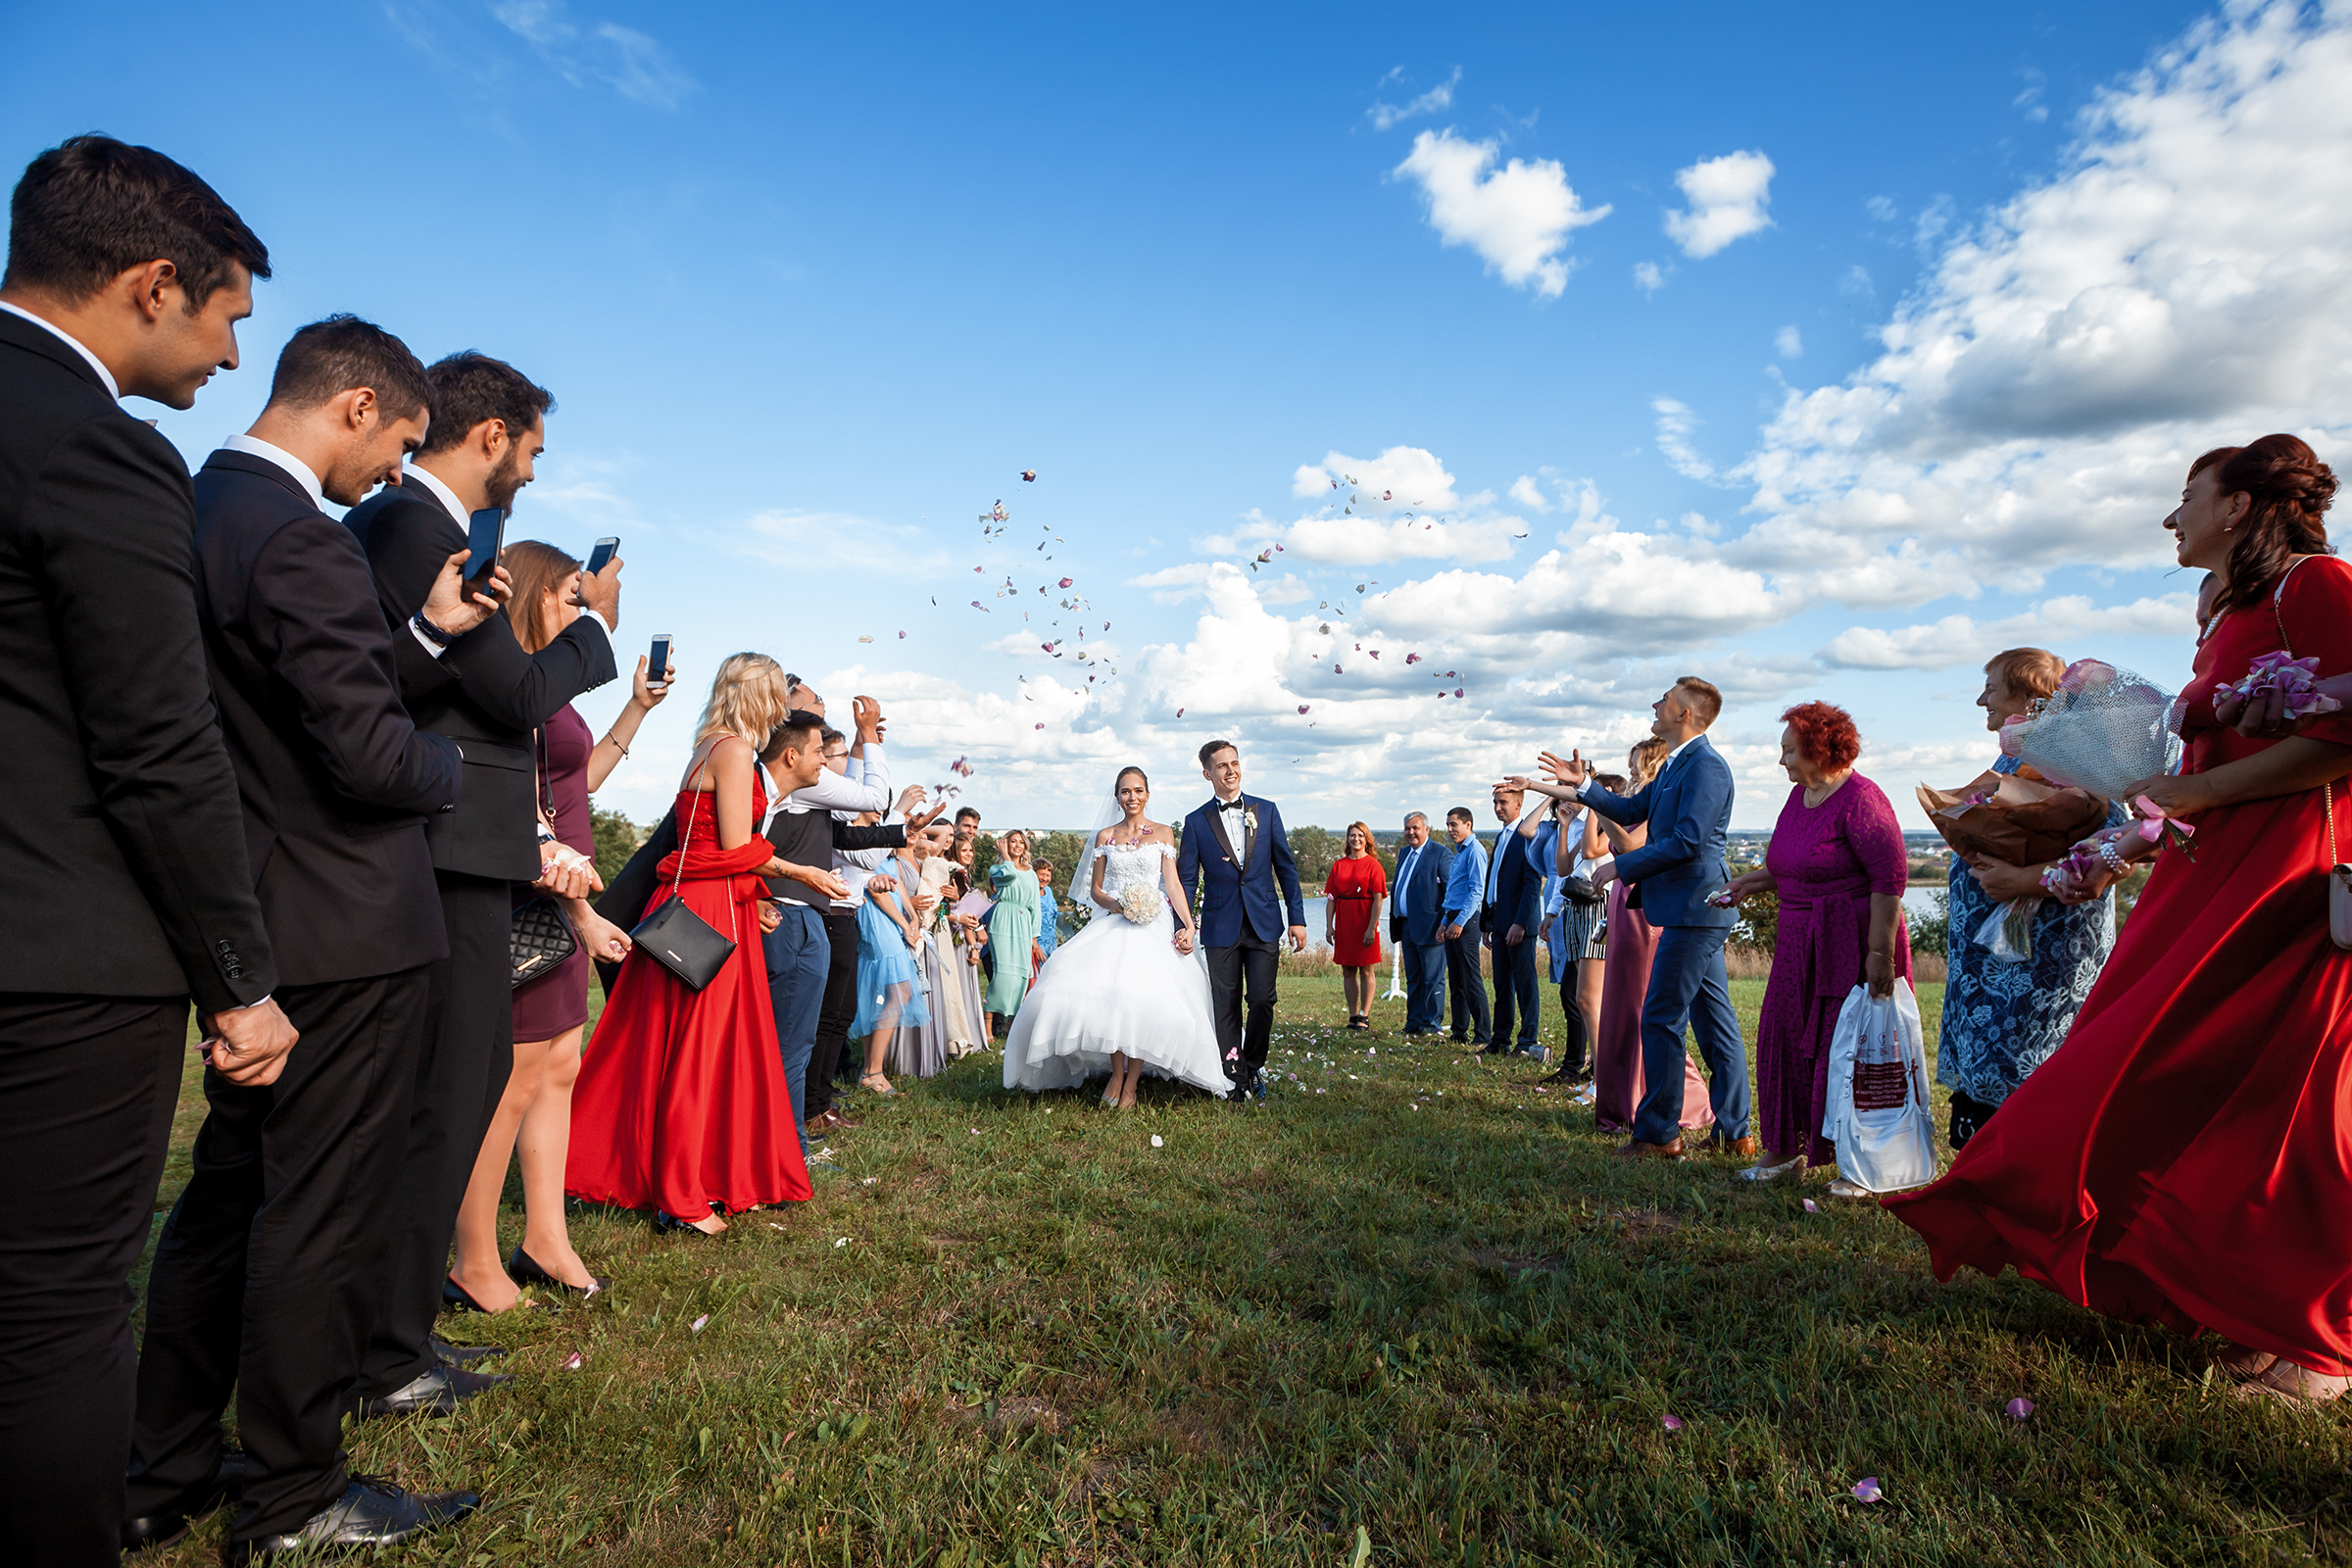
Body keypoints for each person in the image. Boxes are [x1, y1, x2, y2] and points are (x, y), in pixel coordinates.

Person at [125, 316, 491, 1557]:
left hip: (265, 921)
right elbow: (370, 751)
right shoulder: (305, 539)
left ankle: (165, 1459)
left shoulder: (200, 508)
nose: (394, 473)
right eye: (396, 443)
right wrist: (453, 766)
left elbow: (271, 707)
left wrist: (424, 637)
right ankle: (292, 1490)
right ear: (354, 406)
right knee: (318, 1210)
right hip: (352, 928)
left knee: (228, 1200)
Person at [1890, 435, 2352, 1404]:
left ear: (2241, 506)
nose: (2171, 516)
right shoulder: (2227, 609)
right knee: (2163, 1069)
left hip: (2288, 875)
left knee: (2292, 1097)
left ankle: (2315, 1346)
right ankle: (2219, 1293)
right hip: (2212, 866)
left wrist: (2206, 786)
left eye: (2189, 495)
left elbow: (2342, 733)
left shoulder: (2317, 585)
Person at [0, 135, 301, 1568]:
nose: (232, 355)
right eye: (228, 317)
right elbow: (155, 746)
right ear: (151, 283)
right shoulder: (99, 449)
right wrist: (238, 980)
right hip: (54, 961)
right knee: (56, 1309)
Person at [345, 351, 618, 1418]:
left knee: (451, 1094)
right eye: (535, 450)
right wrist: (593, 618)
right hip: (450, 847)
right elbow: (515, 696)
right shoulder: (423, 531)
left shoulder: (409, 528)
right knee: (446, 1099)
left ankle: (397, 1333)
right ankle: (388, 1346)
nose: (535, 476)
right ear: (494, 434)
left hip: (453, 847)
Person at [445, 543, 672, 1314]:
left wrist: (637, 709)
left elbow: (577, 782)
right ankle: (471, 1259)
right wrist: (577, 908)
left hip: (573, 897)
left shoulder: (552, 692)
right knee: (506, 1085)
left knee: (558, 1071)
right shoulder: (512, 688)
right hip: (533, 896)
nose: (581, 606)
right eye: (572, 592)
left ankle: (545, 1237)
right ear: (540, 593)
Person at [566, 659, 812, 1234]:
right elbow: (736, 847)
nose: (782, 708)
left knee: (677, 1047)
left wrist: (756, 894)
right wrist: (794, 873)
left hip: (705, 906)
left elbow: (717, 852)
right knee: (699, 1052)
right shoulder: (731, 751)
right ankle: (680, 1198)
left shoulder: (708, 744)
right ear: (761, 698)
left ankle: (695, 1176)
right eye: (778, 695)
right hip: (711, 915)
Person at [1539, 678, 1747, 1158]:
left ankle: (1659, 1133)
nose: (1656, 704)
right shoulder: (1676, 766)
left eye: (1665, 700)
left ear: (1686, 714)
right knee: (1714, 1023)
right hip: (1685, 910)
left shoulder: (1708, 767)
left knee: (1659, 1017)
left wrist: (1620, 866)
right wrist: (1584, 785)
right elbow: (1631, 808)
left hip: (1697, 909)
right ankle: (1735, 1132)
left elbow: (1689, 841)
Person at [1934, 648, 2127, 1148]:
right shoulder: (2017, 750)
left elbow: (2110, 848)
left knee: (2032, 1091)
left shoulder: (2077, 757)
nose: (1981, 700)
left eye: (1991, 689)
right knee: (1986, 1098)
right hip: (1994, 960)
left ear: (2029, 696)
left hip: (2038, 963)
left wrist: (2022, 883)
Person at [1715, 703, 1912, 1192]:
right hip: (1797, 941)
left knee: (1848, 1051)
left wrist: (1879, 956)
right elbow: (1793, 866)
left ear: (1819, 749)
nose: (1781, 761)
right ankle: (1785, 1149)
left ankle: (1860, 1165)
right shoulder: (1801, 795)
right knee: (1782, 1041)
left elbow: (1889, 881)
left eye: (1788, 750)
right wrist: (1754, 882)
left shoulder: (1863, 799)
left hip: (1852, 942)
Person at [1004, 766, 1226, 1102]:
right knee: (1108, 998)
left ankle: (1132, 1083)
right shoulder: (1106, 837)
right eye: (1125, 791)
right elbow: (1095, 890)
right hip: (1115, 922)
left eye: (1138, 791)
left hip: (1154, 927)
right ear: (1117, 797)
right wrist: (1119, 904)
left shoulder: (1164, 834)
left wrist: (1189, 925)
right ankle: (1116, 1074)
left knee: (1141, 1000)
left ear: (1147, 795)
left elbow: (1174, 885)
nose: (1132, 797)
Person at [1585, 747, 1712, 1134]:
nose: (1630, 770)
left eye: (1634, 763)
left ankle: (1682, 1101)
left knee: (1644, 1008)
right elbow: (1599, 845)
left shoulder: (1659, 800)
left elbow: (1626, 847)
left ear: (1650, 763)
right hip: (1623, 904)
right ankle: (1624, 1101)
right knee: (1621, 1009)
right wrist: (1589, 795)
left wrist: (1596, 801)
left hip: (1645, 908)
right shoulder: (1641, 800)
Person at [1175, 740, 1309, 1100]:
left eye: (1234, 763)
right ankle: (1234, 1077)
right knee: (1226, 1004)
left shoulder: (1266, 811)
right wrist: (1183, 924)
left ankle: (1253, 1065)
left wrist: (1297, 917)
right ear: (1208, 773)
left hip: (1264, 919)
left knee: (1263, 1000)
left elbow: (1286, 867)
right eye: (1221, 766)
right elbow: (1187, 879)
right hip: (1220, 926)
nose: (1231, 770)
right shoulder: (1195, 822)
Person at [1521, 796, 1605, 1085]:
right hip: (1575, 909)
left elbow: (1592, 855)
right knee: (1571, 993)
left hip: (1597, 911)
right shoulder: (1572, 825)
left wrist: (1593, 811)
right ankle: (1574, 1065)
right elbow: (1563, 871)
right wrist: (1552, 912)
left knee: (1588, 997)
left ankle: (1595, 1069)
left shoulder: (1606, 827)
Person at [1485, 784, 1545, 1059]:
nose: (1498, 807)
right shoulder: (1501, 837)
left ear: (1519, 805)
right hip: (1498, 922)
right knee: (1501, 984)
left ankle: (1527, 1039)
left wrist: (1520, 923)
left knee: (1525, 984)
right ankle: (1500, 1038)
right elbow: (1493, 882)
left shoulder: (1527, 835)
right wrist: (1488, 922)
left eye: (1503, 802)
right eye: (1496, 802)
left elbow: (1533, 884)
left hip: (1519, 924)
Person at [1390, 812, 1451, 1036]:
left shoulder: (1440, 853)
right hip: (1406, 926)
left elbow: (1449, 892)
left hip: (1432, 928)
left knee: (1433, 979)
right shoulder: (1405, 853)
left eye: (1415, 828)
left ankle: (1432, 1026)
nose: (1411, 832)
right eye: (1407, 828)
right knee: (1413, 979)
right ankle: (1413, 1025)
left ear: (1427, 829)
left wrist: (1445, 923)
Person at [1323, 822, 1388, 1032]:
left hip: (1365, 919)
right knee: (1348, 969)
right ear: (1347, 839)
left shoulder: (1373, 865)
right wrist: (1329, 926)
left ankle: (1365, 1016)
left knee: (1367, 969)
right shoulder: (1339, 865)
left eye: (1360, 835)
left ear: (1366, 839)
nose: (1356, 839)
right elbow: (1331, 897)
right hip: (1345, 919)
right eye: (1352, 835)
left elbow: (1378, 899)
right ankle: (1353, 1014)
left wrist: (1371, 927)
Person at [1438, 808, 1493, 1050]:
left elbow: (1476, 891)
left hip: (1466, 921)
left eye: (1454, 825)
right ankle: (1459, 1031)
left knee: (1471, 978)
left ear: (1468, 825)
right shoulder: (1459, 852)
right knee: (1456, 979)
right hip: (1452, 917)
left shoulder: (1475, 852)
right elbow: (1453, 891)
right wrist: (1444, 922)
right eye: (1448, 825)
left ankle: (1483, 1034)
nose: (1450, 830)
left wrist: (1459, 921)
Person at [984, 829, 1042, 1036]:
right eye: (1012, 842)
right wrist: (1006, 857)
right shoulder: (997, 868)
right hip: (1003, 919)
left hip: (1023, 922)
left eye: (1021, 843)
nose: (1017, 845)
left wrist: (1034, 936)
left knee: (1021, 975)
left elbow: (1035, 904)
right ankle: (988, 1027)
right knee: (1001, 975)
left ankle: (1012, 1025)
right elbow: (1008, 874)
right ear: (1004, 845)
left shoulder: (1032, 874)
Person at [1034, 858, 1061, 964]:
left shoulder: (1049, 891)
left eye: (1048, 875)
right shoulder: (1030, 893)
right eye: (1041, 874)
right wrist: (1035, 946)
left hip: (1051, 945)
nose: (1045, 878)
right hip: (1036, 946)